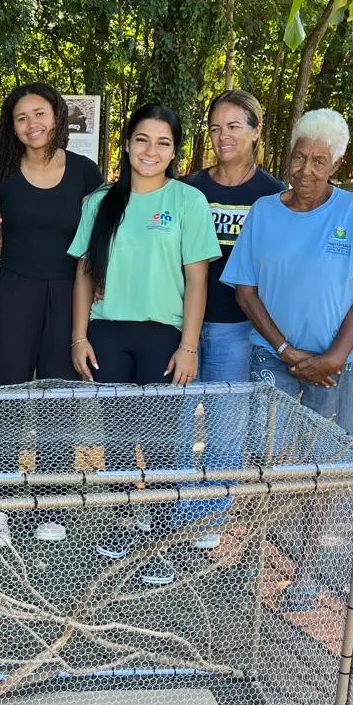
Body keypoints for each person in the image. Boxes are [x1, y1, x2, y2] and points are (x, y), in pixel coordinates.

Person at [68, 103, 221, 584]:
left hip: (164, 337)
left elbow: (198, 280)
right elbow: (84, 273)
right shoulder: (100, 203)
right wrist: (79, 336)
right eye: (141, 140)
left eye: (163, 142)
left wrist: (189, 346)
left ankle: (155, 542)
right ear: (126, 144)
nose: (150, 151)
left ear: (175, 150)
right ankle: (121, 529)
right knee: (114, 444)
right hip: (108, 333)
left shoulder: (187, 202)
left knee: (157, 447)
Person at [221, 109, 353, 435]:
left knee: (324, 460)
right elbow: (245, 292)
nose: (305, 171)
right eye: (299, 157)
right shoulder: (264, 211)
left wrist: (335, 356)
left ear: (337, 165)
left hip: (336, 363)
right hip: (272, 355)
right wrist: (286, 350)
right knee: (263, 455)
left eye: (319, 161)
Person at [0, 83, 104, 384]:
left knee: (60, 405)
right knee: (1, 398)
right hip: (11, 294)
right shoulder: (2, 171)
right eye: (21, 118)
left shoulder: (85, 172)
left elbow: (98, 238)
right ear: (12, 126)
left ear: (57, 116)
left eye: (39, 113)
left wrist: (101, 275)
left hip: (69, 294)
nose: (32, 124)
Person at [182, 90, 286, 381]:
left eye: (233, 126)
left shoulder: (274, 195)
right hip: (182, 323)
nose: (222, 135)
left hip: (238, 328)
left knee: (227, 425)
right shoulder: (189, 189)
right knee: (174, 424)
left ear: (256, 131)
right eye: (215, 128)